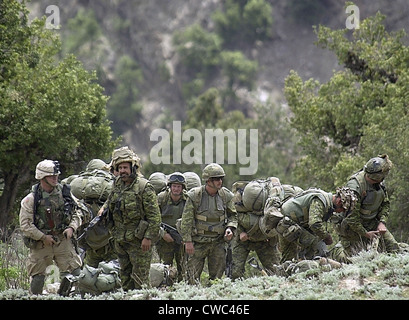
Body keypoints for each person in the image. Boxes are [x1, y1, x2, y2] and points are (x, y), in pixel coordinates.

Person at [100, 146, 161, 290]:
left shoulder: (144, 187)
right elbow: (110, 200)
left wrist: (148, 238)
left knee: (140, 280)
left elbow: (155, 217)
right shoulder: (117, 184)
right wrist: (103, 209)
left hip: (139, 242)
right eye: (120, 168)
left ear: (133, 168)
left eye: (125, 167)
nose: (122, 171)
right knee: (125, 278)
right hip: (120, 240)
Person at [19, 159, 83, 294]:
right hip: (42, 243)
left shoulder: (65, 194)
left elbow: (78, 211)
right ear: (42, 177)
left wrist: (72, 227)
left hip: (62, 238)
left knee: (75, 272)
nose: (55, 178)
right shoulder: (31, 199)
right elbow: (25, 225)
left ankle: (64, 295)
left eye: (56, 175)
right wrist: (43, 237)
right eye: (51, 176)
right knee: (38, 276)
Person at [330, 154, 401, 263]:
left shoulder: (380, 182)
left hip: (372, 223)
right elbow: (351, 218)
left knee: (394, 249)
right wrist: (366, 234)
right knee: (351, 261)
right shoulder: (355, 187)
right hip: (353, 229)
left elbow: (385, 203)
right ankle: (336, 251)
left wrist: (382, 222)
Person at [231, 183, 303, 280]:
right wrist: (240, 232)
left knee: (276, 271)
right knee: (235, 272)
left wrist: (275, 238)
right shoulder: (238, 203)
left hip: (265, 241)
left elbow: (279, 222)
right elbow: (232, 217)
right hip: (243, 240)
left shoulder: (274, 201)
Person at [180, 163, 238, 284]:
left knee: (216, 281)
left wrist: (230, 228)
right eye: (216, 179)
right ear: (208, 180)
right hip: (198, 243)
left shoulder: (225, 195)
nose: (220, 181)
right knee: (191, 279)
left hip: (218, 243)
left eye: (221, 178)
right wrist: (188, 241)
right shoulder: (195, 195)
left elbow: (233, 215)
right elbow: (186, 220)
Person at [276, 187, 357, 263]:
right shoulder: (320, 201)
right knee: (315, 244)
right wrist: (326, 236)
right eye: (342, 209)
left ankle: (293, 271)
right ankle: (309, 269)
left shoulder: (327, 203)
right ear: (339, 202)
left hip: (288, 223)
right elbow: (314, 223)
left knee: (288, 256)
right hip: (287, 223)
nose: (340, 212)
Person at [156, 172, 188, 282]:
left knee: (183, 267)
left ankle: (182, 288)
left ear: (183, 188)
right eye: (174, 186)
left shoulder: (188, 200)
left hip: (182, 238)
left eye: (179, 187)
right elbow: (152, 218)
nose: (176, 189)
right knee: (165, 268)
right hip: (165, 239)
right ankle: (165, 287)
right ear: (170, 187)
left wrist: (187, 238)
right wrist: (163, 234)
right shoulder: (161, 198)